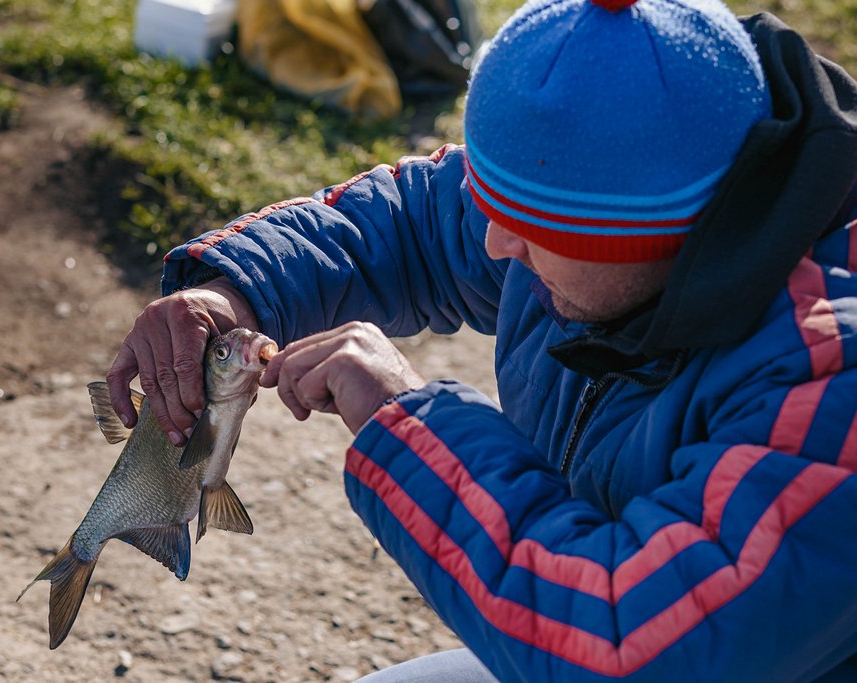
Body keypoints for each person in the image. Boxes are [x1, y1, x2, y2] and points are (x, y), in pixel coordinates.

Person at [106, 0, 857, 679]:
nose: (497, 244)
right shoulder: (642, 183)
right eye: (492, 203)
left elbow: (633, 649)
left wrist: (413, 425)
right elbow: (417, 221)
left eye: (531, 228)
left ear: (651, 236)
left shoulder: (831, 381)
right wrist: (236, 286)